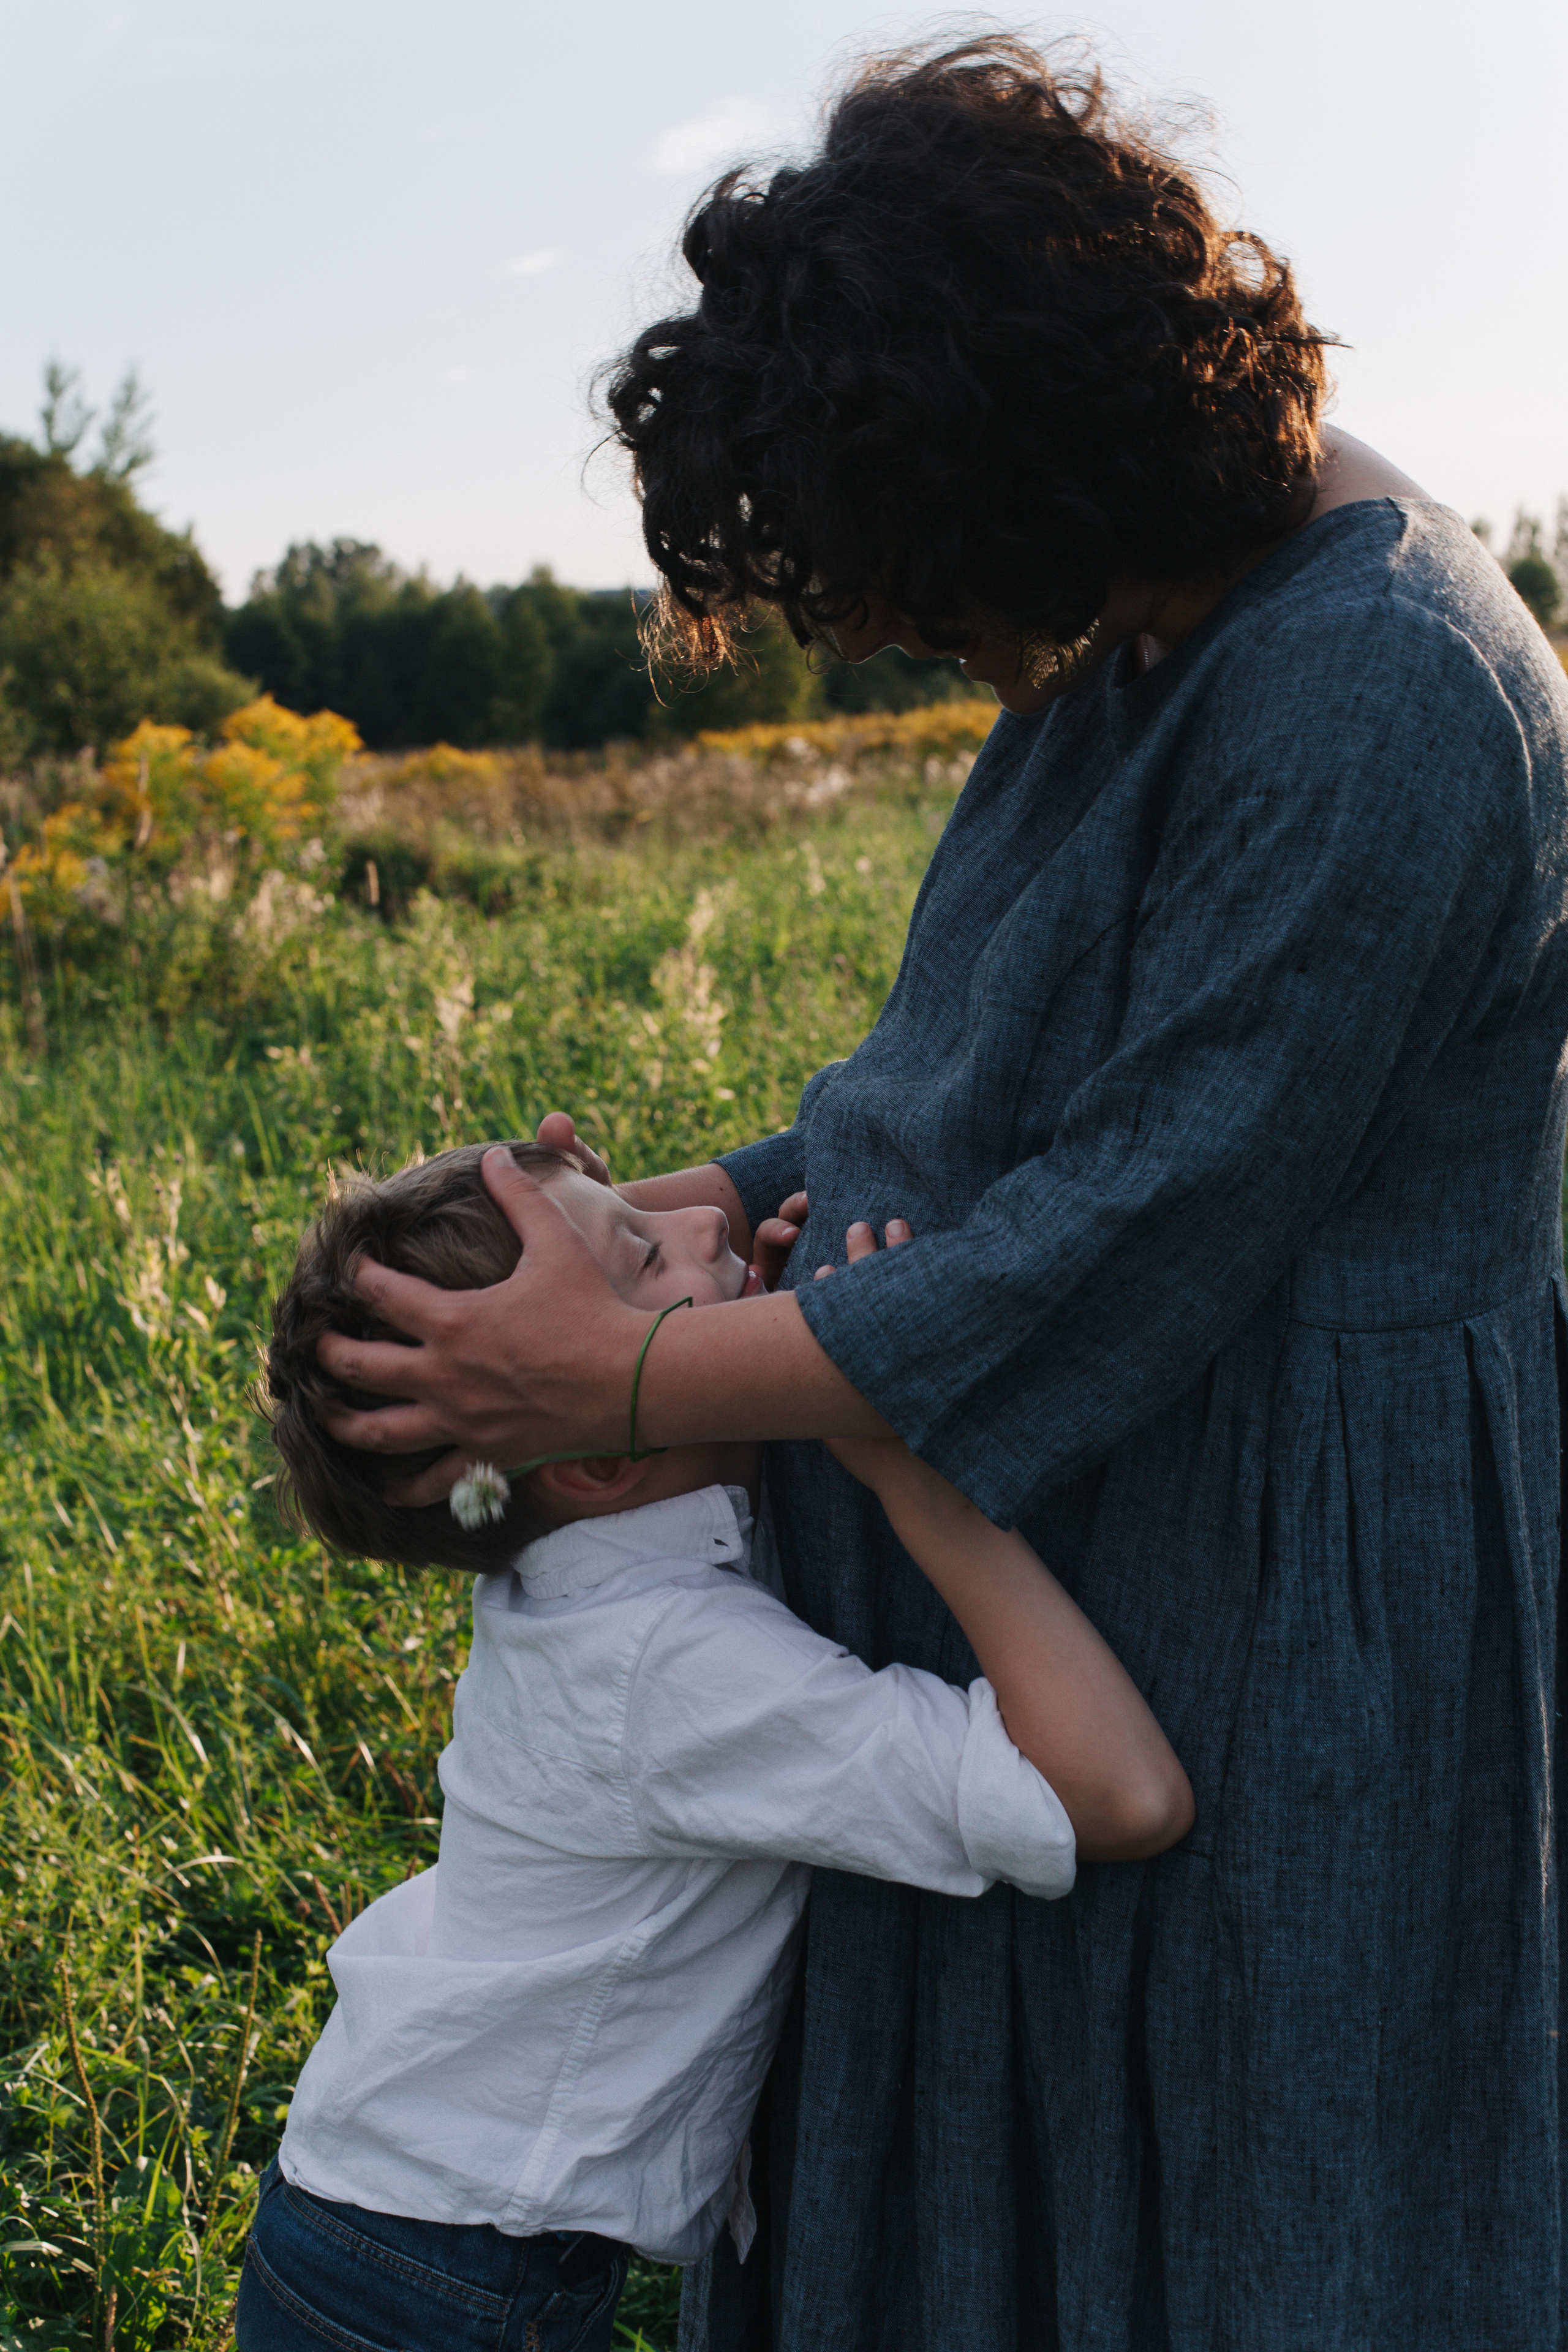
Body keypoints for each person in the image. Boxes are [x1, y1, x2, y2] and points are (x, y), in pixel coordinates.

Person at [314, 39, 1568, 2351]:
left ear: (1029, 465)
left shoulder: (1378, 688)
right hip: (1076, 1524)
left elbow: (1129, 1222)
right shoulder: (1154, 604)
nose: (912, 646)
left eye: (915, 591)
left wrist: (626, 1354)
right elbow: (977, 1091)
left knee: (1263, 2169)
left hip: (1288, 1570)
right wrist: (652, 1214)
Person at [239, 1140, 1192, 2352]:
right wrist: (901, 1462)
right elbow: (1122, 1796)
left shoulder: (582, 1574)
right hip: (438, 2289)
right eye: (644, 1254)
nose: (708, 1231)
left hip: (388, 2233)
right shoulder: (671, 1671)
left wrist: (726, 1383)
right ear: (598, 1458)